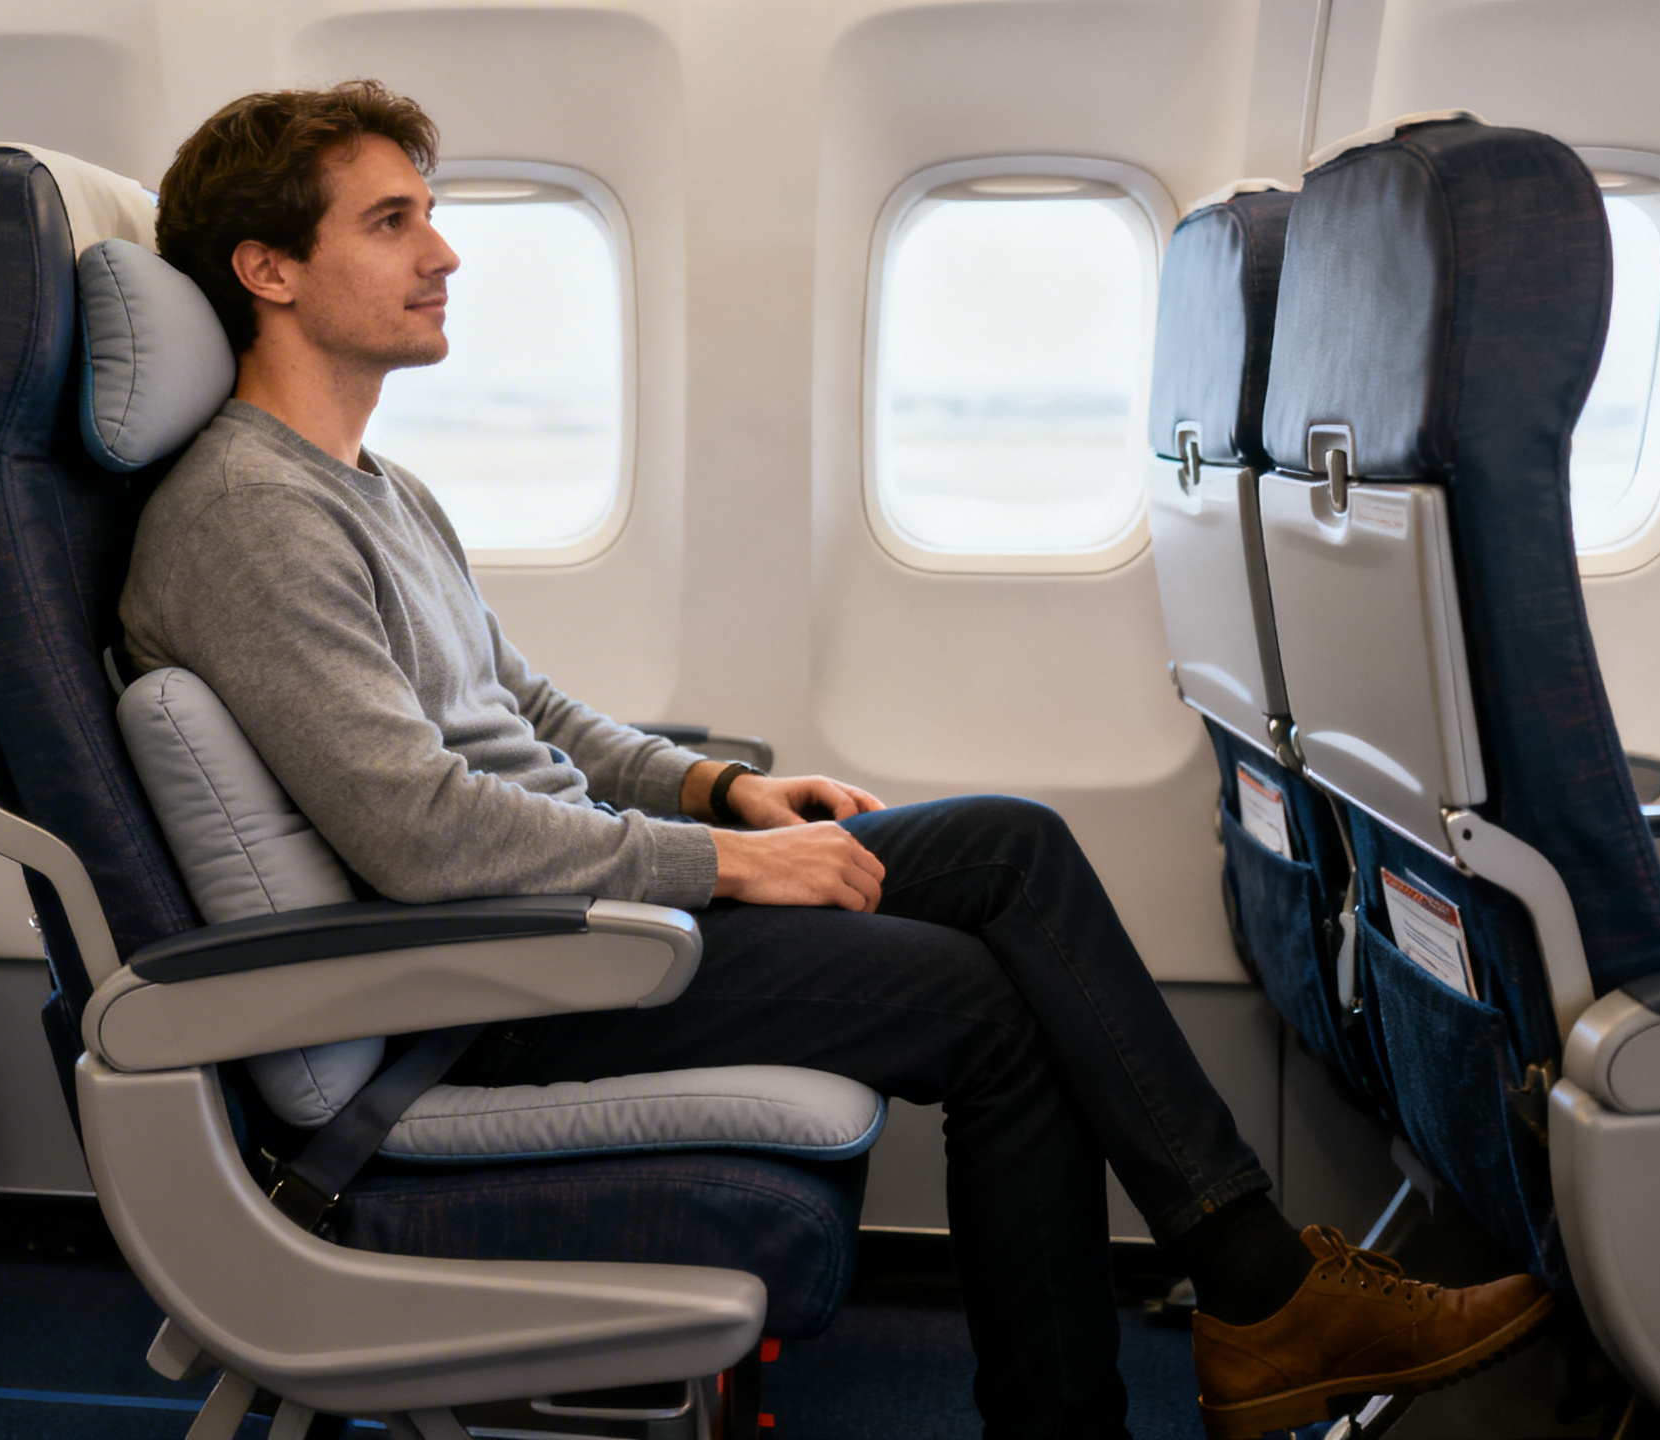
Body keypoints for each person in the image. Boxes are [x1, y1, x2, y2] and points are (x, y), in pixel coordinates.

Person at [120, 80, 1551, 1440]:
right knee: (987, 1010)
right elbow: (424, 837)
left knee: (1011, 842)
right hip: (499, 972)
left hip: (580, 901)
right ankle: (1187, 1345)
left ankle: (1254, 1290)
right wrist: (732, 864)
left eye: (430, 212)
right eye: (390, 222)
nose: (444, 252)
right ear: (268, 269)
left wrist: (721, 791)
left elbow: (533, 715)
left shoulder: (376, 484)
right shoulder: (251, 516)